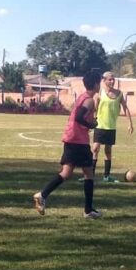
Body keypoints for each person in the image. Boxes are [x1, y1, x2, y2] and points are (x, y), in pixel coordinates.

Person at [32, 69, 102, 218]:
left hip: (71, 138)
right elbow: (78, 117)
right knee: (89, 173)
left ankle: (42, 195)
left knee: (66, 172)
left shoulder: (82, 97)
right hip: (79, 141)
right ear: (96, 84)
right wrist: (91, 125)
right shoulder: (89, 100)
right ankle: (88, 210)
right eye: (100, 82)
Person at [92, 71, 133, 183]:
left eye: (113, 79)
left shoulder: (119, 94)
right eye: (109, 79)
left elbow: (125, 108)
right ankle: (90, 175)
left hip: (111, 127)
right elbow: (94, 109)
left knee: (108, 151)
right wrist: (92, 119)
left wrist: (130, 123)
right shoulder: (99, 92)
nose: (112, 81)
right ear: (104, 80)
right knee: (95, 149)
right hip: (100, 125)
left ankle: (106, 176)